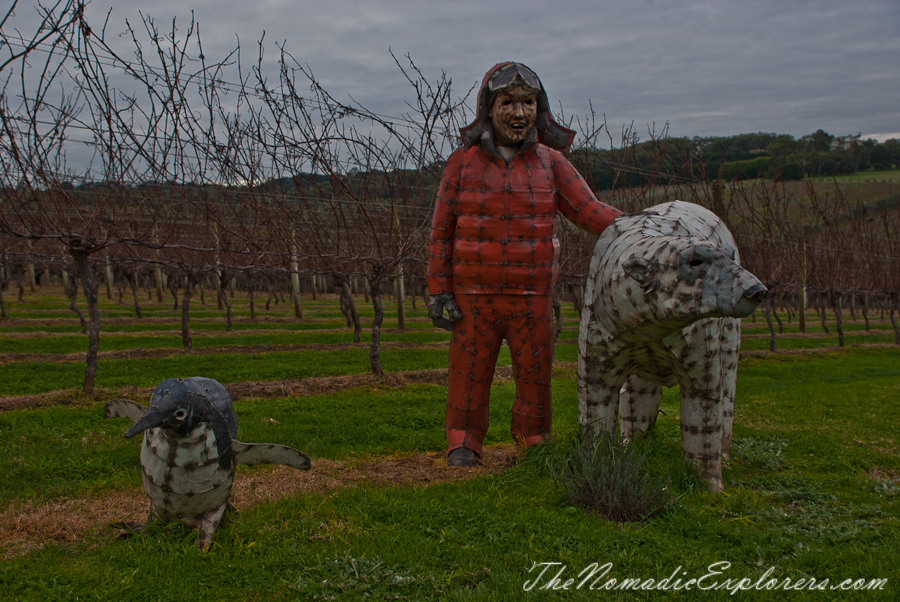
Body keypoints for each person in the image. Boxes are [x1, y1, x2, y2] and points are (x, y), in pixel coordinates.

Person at [427, 62, 623, 466]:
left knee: (535, 374)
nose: (519, 113)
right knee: (468, 374)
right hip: (473, 297)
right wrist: (437, 289)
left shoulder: (551, 163)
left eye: (528, 102)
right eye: (508, 102)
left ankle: (533, 437)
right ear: (488, 106)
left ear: (540, 107)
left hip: (532, 296)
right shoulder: (460, 163)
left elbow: (589, 210)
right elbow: (441, 232)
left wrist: (640, 227)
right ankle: (463, 439)